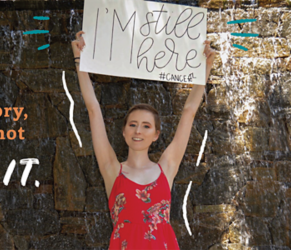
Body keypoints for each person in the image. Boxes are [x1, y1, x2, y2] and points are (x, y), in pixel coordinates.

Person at [71, 30, 217, 250]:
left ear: (156, 135)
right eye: (132, 124)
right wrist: (78, 60)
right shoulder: (112, 170)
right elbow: (93, 109)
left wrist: (206, 66)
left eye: (146, 126)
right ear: (124, 131)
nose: (138, 130)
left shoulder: (166, 168)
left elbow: (189, 111)